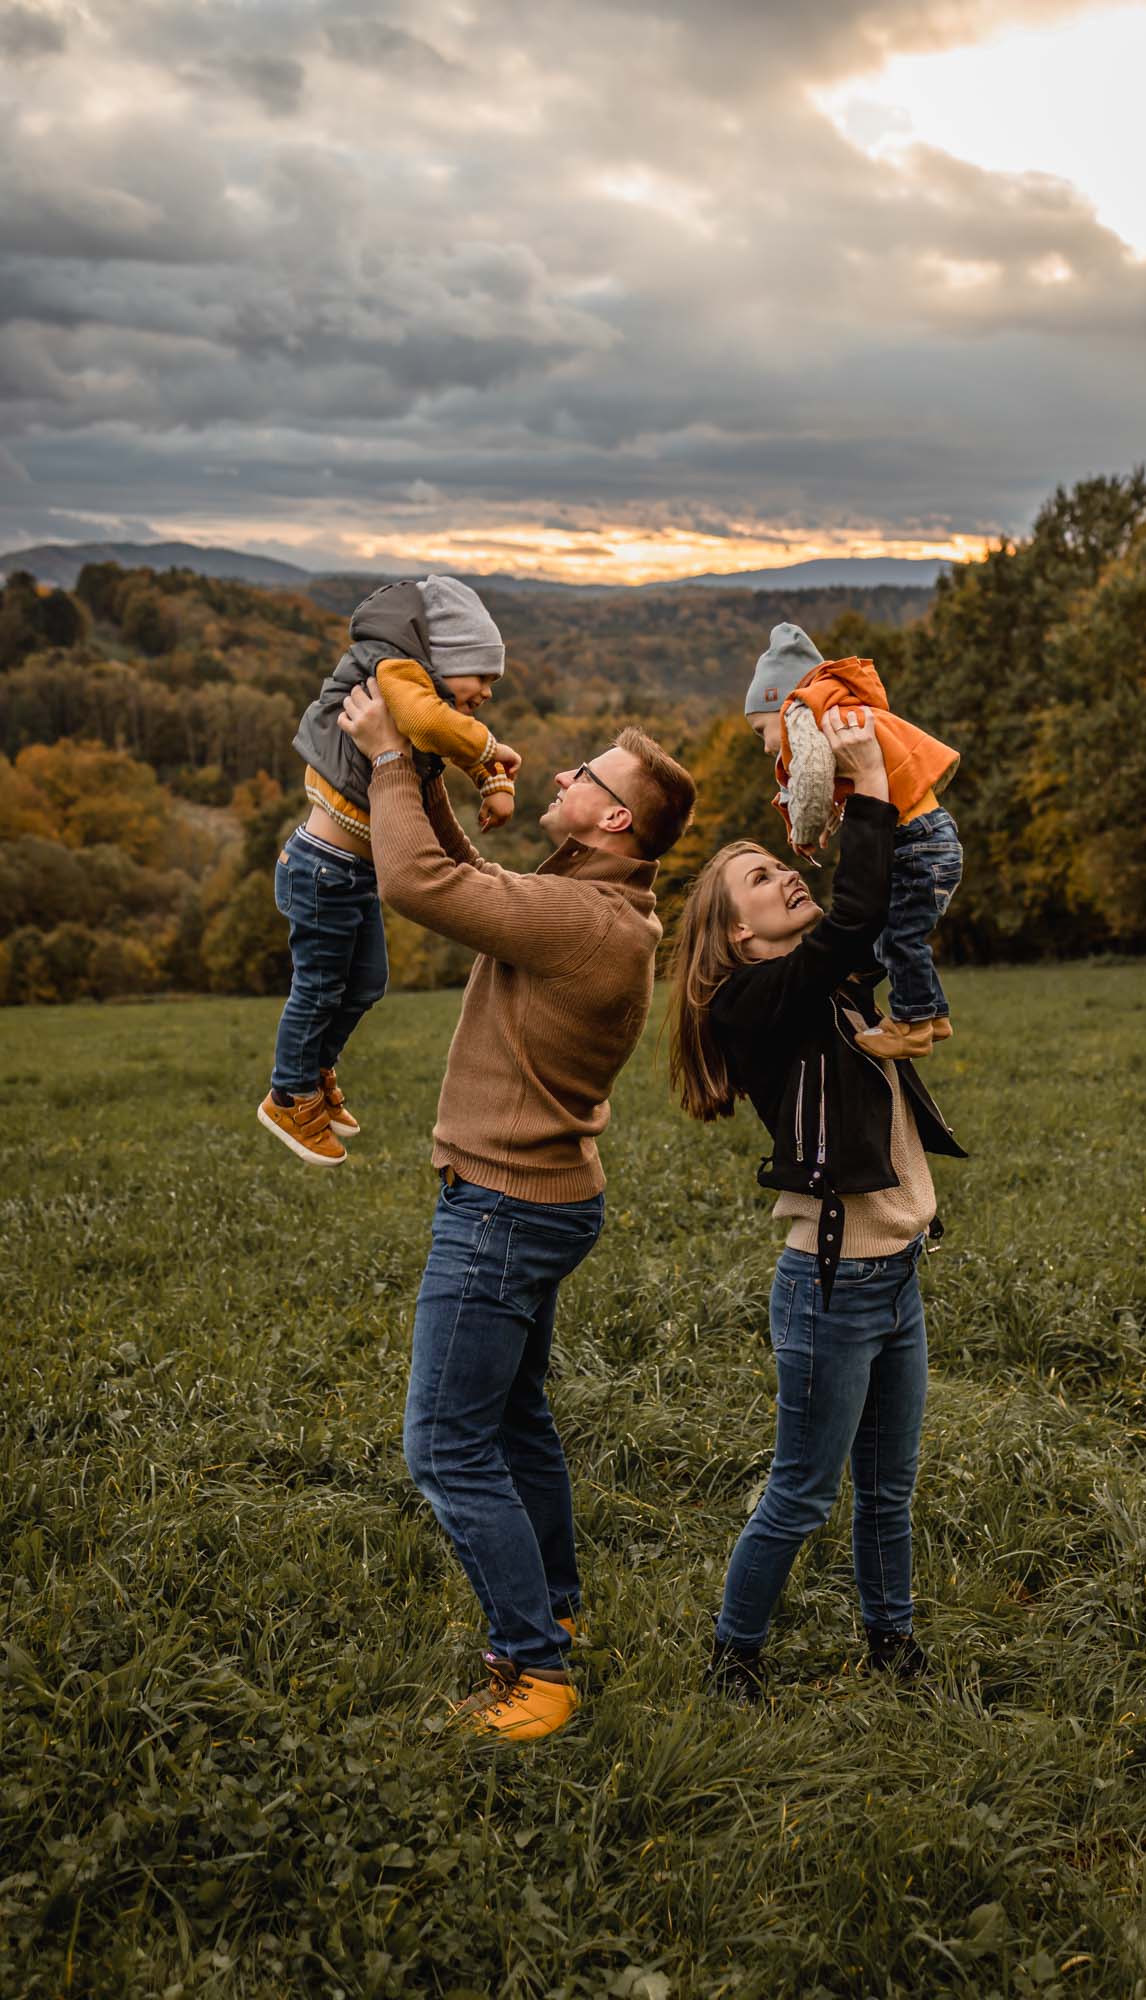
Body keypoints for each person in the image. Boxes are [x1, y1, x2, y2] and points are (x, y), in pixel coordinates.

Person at [340, 677, 696, 1742]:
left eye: (585, 774)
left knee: (446, 1448)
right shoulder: (594, 903)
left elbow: (417, 882)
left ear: (614, 820)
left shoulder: (583, 919)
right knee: (513, 1420)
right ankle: (558, 1608)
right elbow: (471, 878)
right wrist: (431, 772)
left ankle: (534, 1673)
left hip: (501, 1207)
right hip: (539, 1199)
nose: (563, 772)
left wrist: (388, 758)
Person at [668, 706, 965, 1700]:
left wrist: (865, 797)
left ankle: (893, 1646)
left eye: (777, 865)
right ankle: (733, 1657)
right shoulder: (752, 1000)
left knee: (887, 1488)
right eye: (760, 879)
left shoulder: (823, 986)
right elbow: (851, 914)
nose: (784, 877)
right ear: (734, 933)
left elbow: (880, 917)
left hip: (894, 1277)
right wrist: (869, 783)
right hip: (831, 1288)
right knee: (800, 1493)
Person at [258, 575, 522, 1166]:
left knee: (367, 983)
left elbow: (441, 744)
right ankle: (289, 1095)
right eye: (481, 676)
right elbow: (434, 727)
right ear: (444, 658)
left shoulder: (423, 699)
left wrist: (493, 781)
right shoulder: (397, 673)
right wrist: (486, 751)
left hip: (353, 876)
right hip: (321, 869)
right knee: (319, 987)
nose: (486, 692)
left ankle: (315, 1069)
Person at [743, 622, 964, 1060]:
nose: (767, 747)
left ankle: (912, 1026)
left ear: (781, 704)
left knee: (897, 937)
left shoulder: (803, 712)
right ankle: (932, 1013)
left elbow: (811, 778)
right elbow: (838, 786)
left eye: (760, 730)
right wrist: (830, 822)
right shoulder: (836, 711)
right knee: (899, 931)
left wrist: (805, 828)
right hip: (928, 835)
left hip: (917, 840)